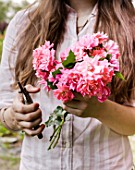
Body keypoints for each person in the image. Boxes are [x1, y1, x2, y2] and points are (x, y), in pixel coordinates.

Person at [0, 0, 135, 169]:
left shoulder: (129, 25)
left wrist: (100, 109)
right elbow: (3, 105)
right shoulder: (24, 23)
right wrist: (14, 116)